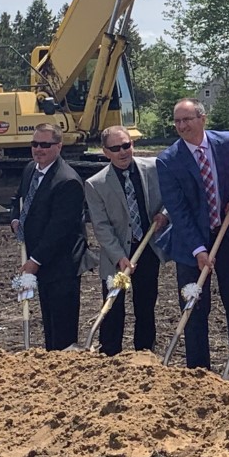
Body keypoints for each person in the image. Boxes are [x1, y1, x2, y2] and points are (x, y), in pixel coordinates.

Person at [156, 98, 229, 386]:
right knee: (194, 306)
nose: (182, 126)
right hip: (191, 243)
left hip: (228, 236)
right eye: (177, 121)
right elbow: (178, 210)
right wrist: (199, 250)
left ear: (202, 118)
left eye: (187, 119)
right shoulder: (168, 160)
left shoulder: (228, 143)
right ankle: (198, 373)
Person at [84, 125, 169, 356]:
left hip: (147, 249)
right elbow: (101, 226)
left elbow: (170, 198)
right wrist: (119, 256)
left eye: (126, 145)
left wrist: (164, 215)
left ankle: (145, 353)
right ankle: (110, 355)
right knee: (113, 307)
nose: (122, 152)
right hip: (116, 255)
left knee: (145, 304)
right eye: (115, 148)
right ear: (105, 152)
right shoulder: (95, 184)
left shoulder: (153, 168)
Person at [11, 123, 92, 350]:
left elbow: (60, 229)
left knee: (62, 330)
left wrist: (35, 261)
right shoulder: (31, 170)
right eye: (35, 144)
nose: (39, 149)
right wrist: (15, 219)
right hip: (41, 262)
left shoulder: (68, 181)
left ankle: (64, 364)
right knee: (48, 324)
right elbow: (18, 199)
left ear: (58, 146)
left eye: (45, 145)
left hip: (61, 266)